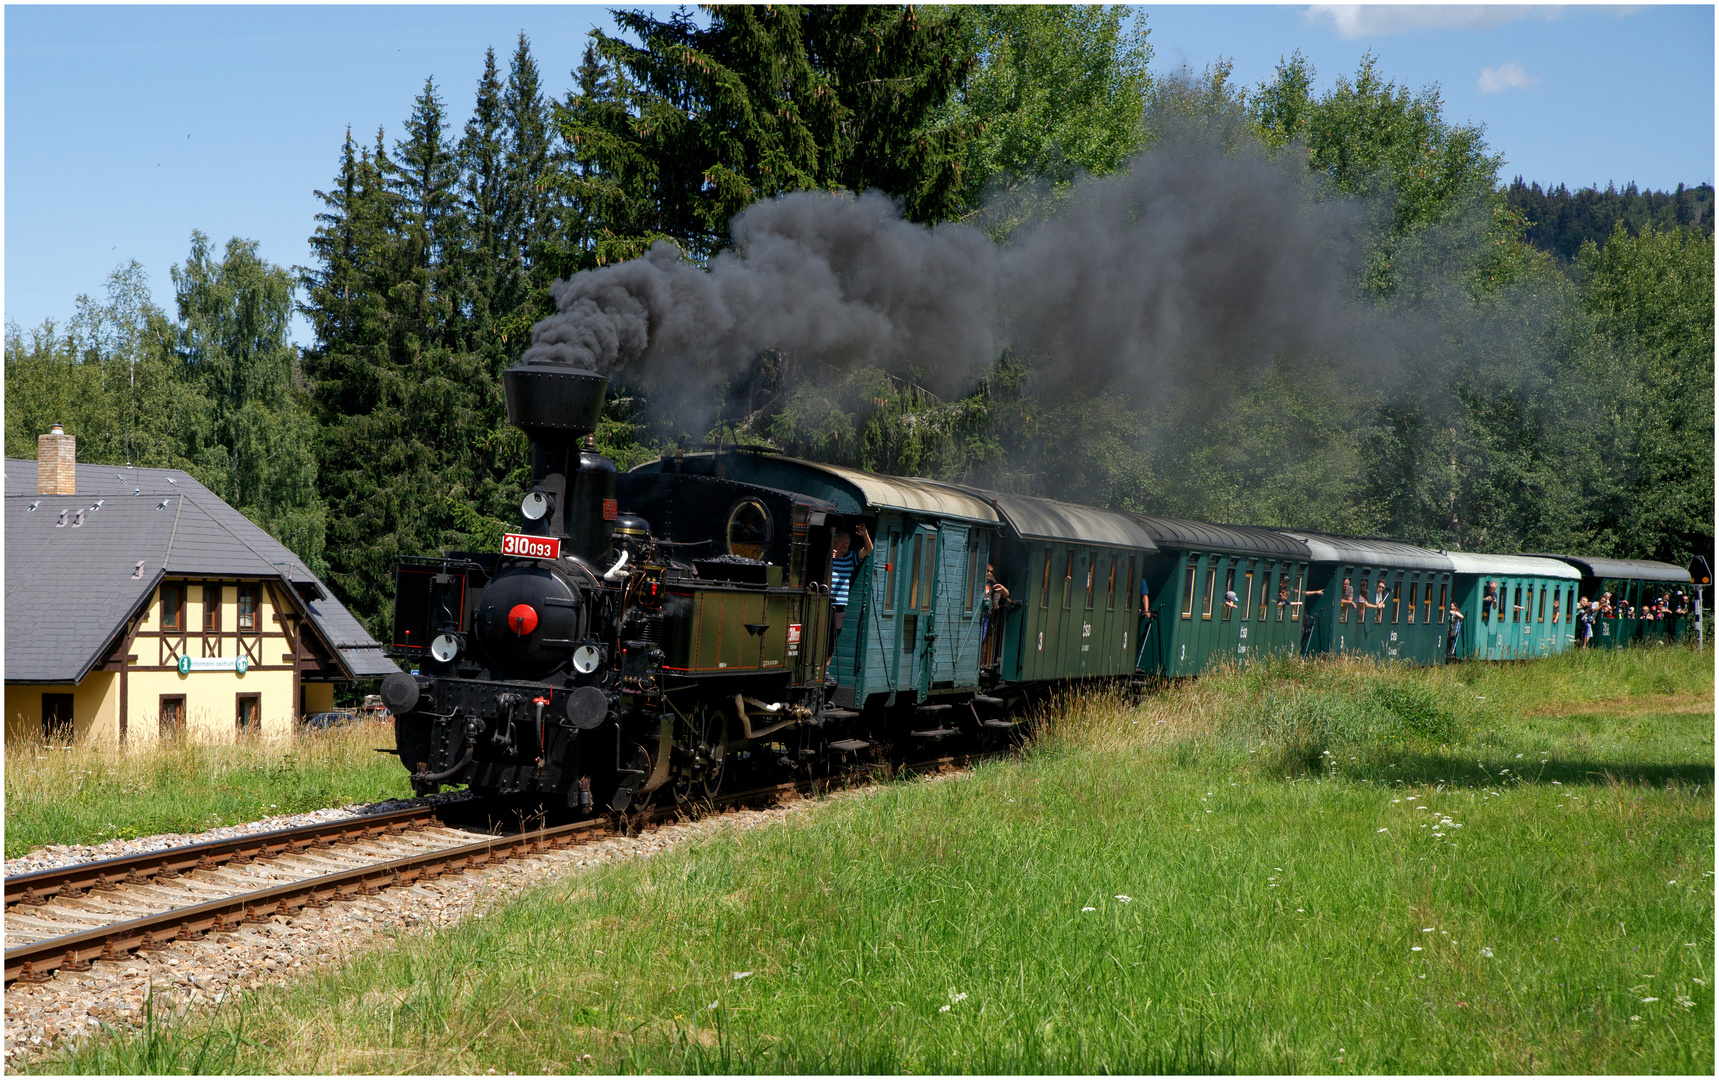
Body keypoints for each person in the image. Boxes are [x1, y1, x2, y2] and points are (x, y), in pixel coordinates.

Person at [826, 523, 872, 677]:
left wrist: (865, 534)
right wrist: (828, 557)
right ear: (834, 542)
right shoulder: (827, 556)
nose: (845, 545)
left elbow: (868, 549)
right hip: (824, 602)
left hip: (839, 606)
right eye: (841, 542)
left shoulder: (850, 558)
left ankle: (825, 670)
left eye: (847, 542)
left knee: (832, 638)